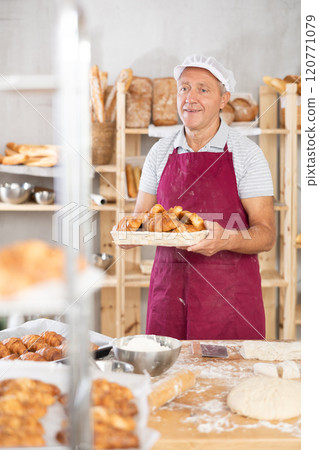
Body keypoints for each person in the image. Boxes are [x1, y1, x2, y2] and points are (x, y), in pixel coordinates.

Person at [129, 54, 275, 340]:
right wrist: (129, 235)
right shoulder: (159, 153)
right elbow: (140, 220)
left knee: (230, 383)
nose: (190, 98)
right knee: (168, 381)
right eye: (184, 88)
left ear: (224, 98)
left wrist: (227, 239)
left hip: (229, 302)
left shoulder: (247, 154)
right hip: (168, 297)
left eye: (203, 89)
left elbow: (267, 235)